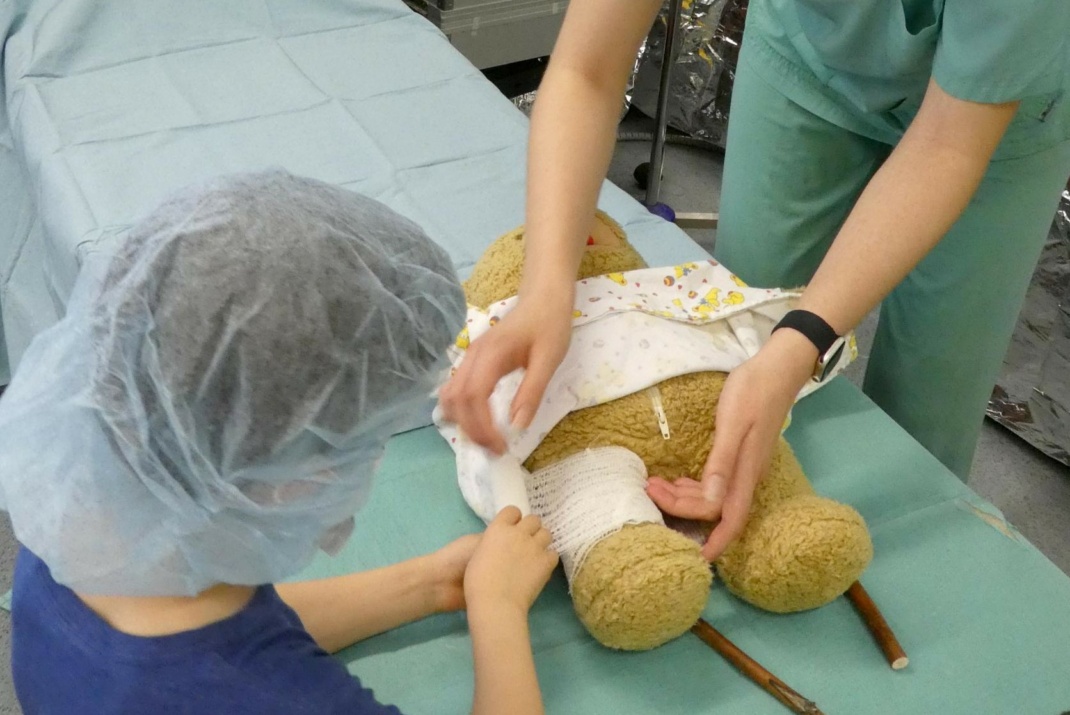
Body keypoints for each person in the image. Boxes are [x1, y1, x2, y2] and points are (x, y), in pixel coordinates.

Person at [439, 0, 1070, 561]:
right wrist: (549, 286)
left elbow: (947, 146)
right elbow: (586, 69)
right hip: (812, 55)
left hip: (994, 122)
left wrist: (800, 342)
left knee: (925, 416)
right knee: (728, 351)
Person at [0, 171, 558, 714]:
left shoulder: (78, 529)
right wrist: (499, 610)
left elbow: (239, 632)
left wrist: (430, 582)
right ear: (289, 485)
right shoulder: (282, 697)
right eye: (369, 442)